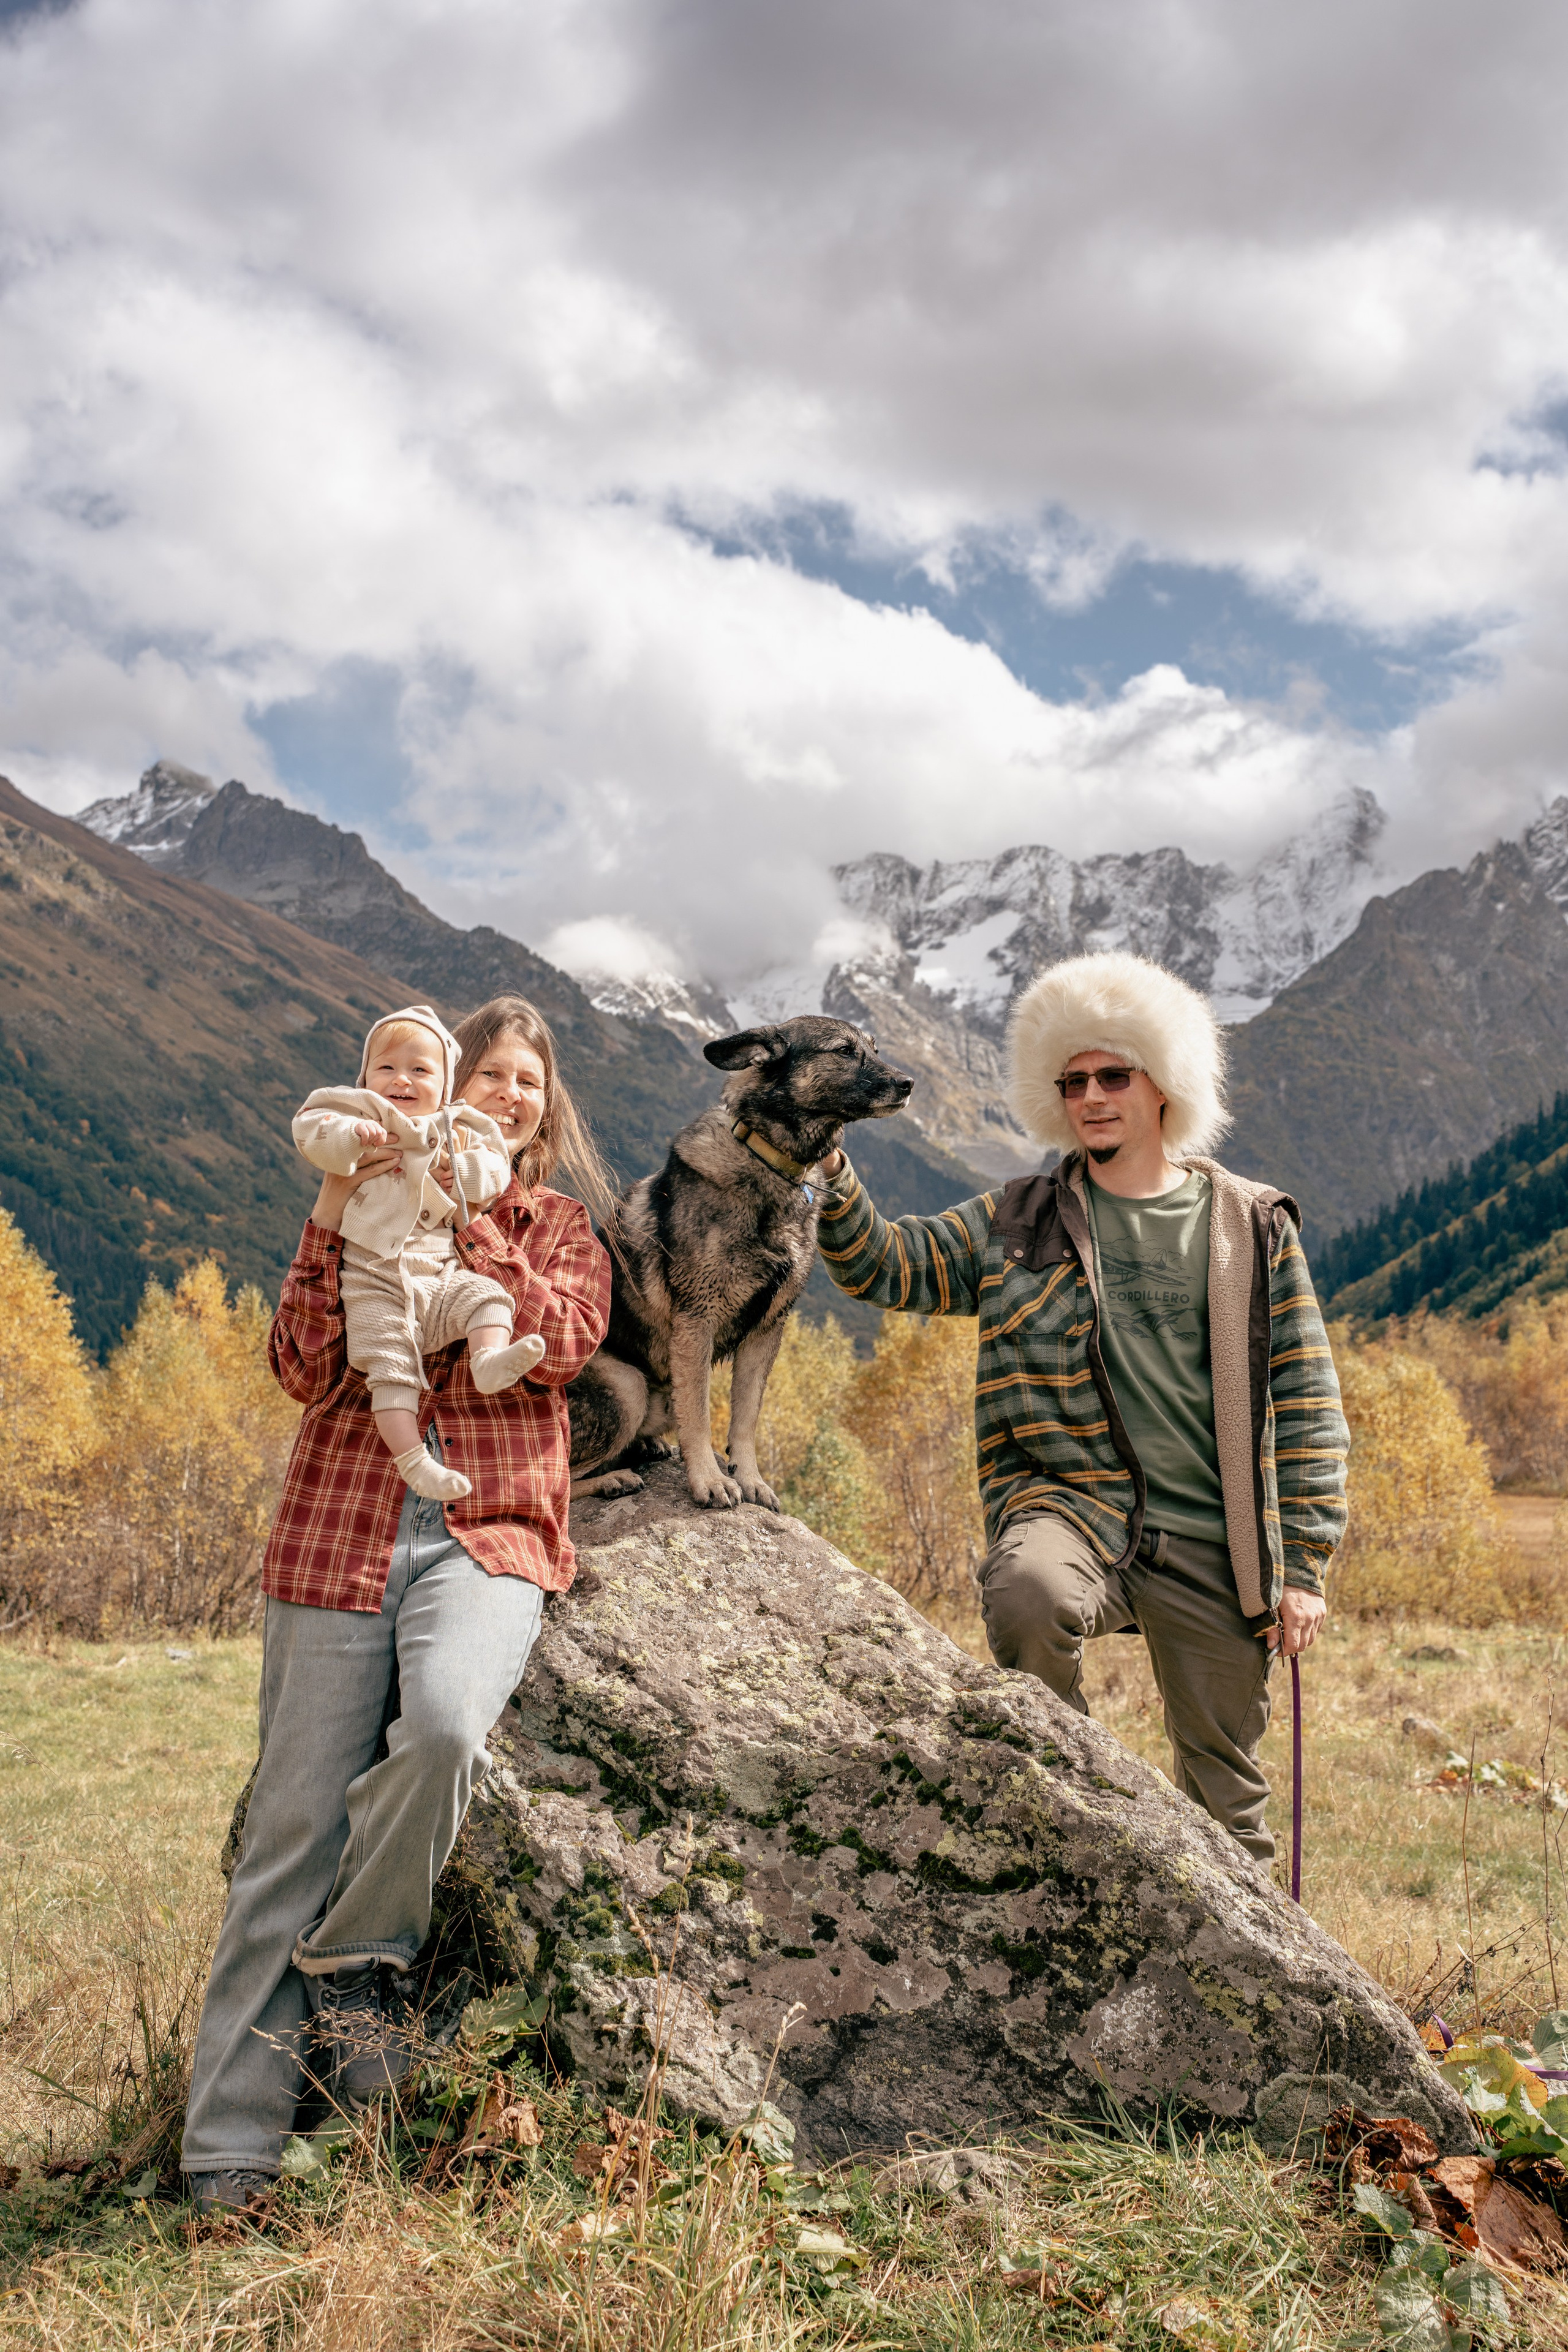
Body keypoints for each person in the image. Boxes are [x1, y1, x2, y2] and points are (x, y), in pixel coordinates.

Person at [181, 994, 612, 2217]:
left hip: (487, 1529)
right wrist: (344, 1208)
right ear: (434, 1083)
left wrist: (469, 1222)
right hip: (336, 1534)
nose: (510, 1093)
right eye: (489, 1073)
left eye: (530, 1080)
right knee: (287, 1837)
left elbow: (567, 1339)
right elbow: (299, 1369)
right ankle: (228, 2161)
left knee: (444, 1728)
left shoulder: (561, 1227)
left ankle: (358, 1961)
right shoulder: (358, 1199)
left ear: (545, 1105)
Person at [815, 949, 1348, 1870]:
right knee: (1027, 1593)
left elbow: (1304, 1398)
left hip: (1220, 1541)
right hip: (1075, 1513)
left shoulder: (1252, 1225)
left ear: (1163, 1084)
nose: (1092, 1096)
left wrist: (1300, 1563)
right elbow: (882, 1265)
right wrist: (826, 1166)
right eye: (1073, 1082)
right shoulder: (1018, 1219)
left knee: (1229, 1812)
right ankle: (1079, 1810)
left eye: (1113, 1075)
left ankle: (1267, 1995)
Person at [292, 1004, 546, 1502]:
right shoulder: (359, 1112)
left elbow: (493, 1166)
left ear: (445, 1085)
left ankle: (489, 1357)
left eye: (420, 1070)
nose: (401, 1080)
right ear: (365, 1075)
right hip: (375, 1280)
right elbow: (311, 1131)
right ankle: (414, 1460)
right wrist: (346, 1149)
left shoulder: (461, 1129)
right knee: (391, 1366)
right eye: (386, 1067)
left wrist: (466, 1188)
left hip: (441, 1276)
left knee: (489, 1296)